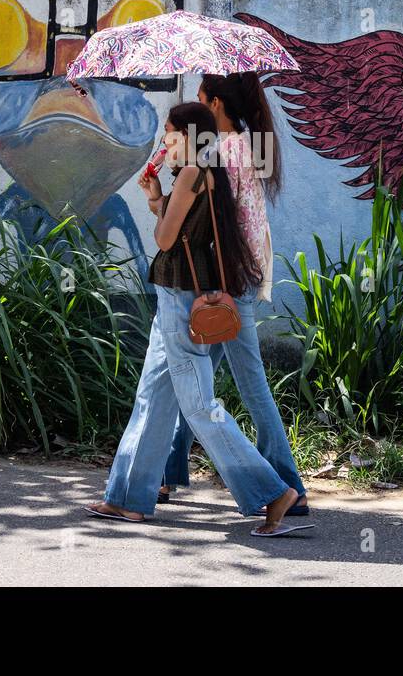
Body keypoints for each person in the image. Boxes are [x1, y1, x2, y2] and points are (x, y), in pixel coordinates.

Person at [85, 102, 312, 536]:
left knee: (201, 407)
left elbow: (166, 238)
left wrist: (160, 203)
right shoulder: (207, 171)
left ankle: (272, 490)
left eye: (169, 133)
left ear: (189, 135)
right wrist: (157, 197)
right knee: (152, 397)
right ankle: (129, 499)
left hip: (179, 298)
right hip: (177, 295)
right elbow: (186, 227)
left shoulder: (192, 173)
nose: (163, 142)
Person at [158, 74, 308, 516]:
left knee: (250, 383)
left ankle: (288, 486)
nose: (199, 110)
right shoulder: (247, 143)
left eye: (202, 101)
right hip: (246, 268)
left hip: (231, 277)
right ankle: (167, 472)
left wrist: (170, 188)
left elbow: (206, 221)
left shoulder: (222, 151)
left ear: (217, 104)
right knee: (198, 381)